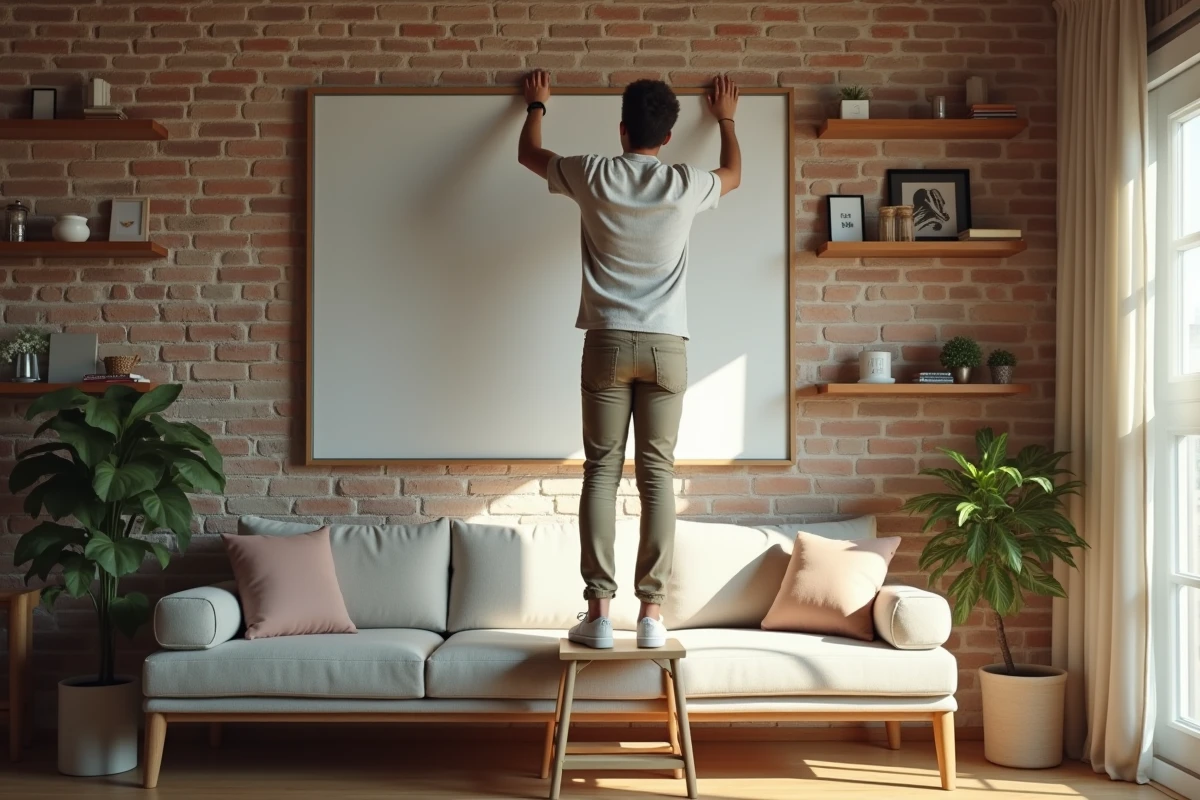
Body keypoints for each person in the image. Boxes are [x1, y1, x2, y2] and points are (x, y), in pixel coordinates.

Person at [516, 71, 742, 648]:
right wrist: (726, 120)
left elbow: (529, 154)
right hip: (668, 347)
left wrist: (538, 105)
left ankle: (597, 615)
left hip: (608, 343)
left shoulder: (593, 172)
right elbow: (735, 175)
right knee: (658, 477)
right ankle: (651, 616)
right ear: (667, 137)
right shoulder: (687, 183)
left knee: (601, 471)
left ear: (621, 129)